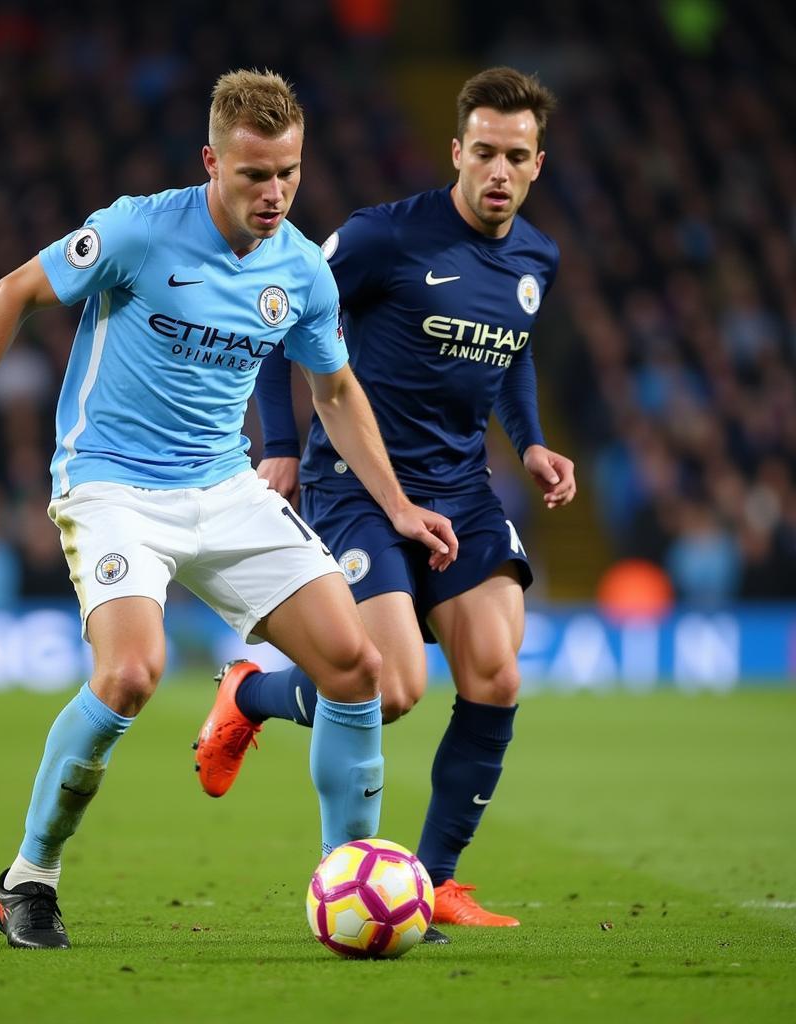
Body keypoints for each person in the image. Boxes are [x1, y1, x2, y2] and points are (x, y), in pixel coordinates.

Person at [0, 69, 456, 950]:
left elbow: (334, 390)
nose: (274, 195)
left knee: (356, 664)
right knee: (131, 674)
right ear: (211, 162)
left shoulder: (301, 269)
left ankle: (353, 882)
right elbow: (12, 293)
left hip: (223, 486)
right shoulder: (141, 229)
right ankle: (27, 880)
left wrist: (400, 506)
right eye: (253, 175)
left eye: (289, 174)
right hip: (111, 484)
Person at [193, 66, 577, 939]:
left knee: (497, 672)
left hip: (462, 490)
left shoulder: (536, 258)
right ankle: (248, 697)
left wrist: (534, 442)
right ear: (457, 150)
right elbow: (276, 317)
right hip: (358, 488)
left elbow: (513, 353)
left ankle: (437, 880)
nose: (498, 171)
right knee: (394, 686)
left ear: (537, 164)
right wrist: (282, 448)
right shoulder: (382, 239)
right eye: (483, 151)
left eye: (516, 157)